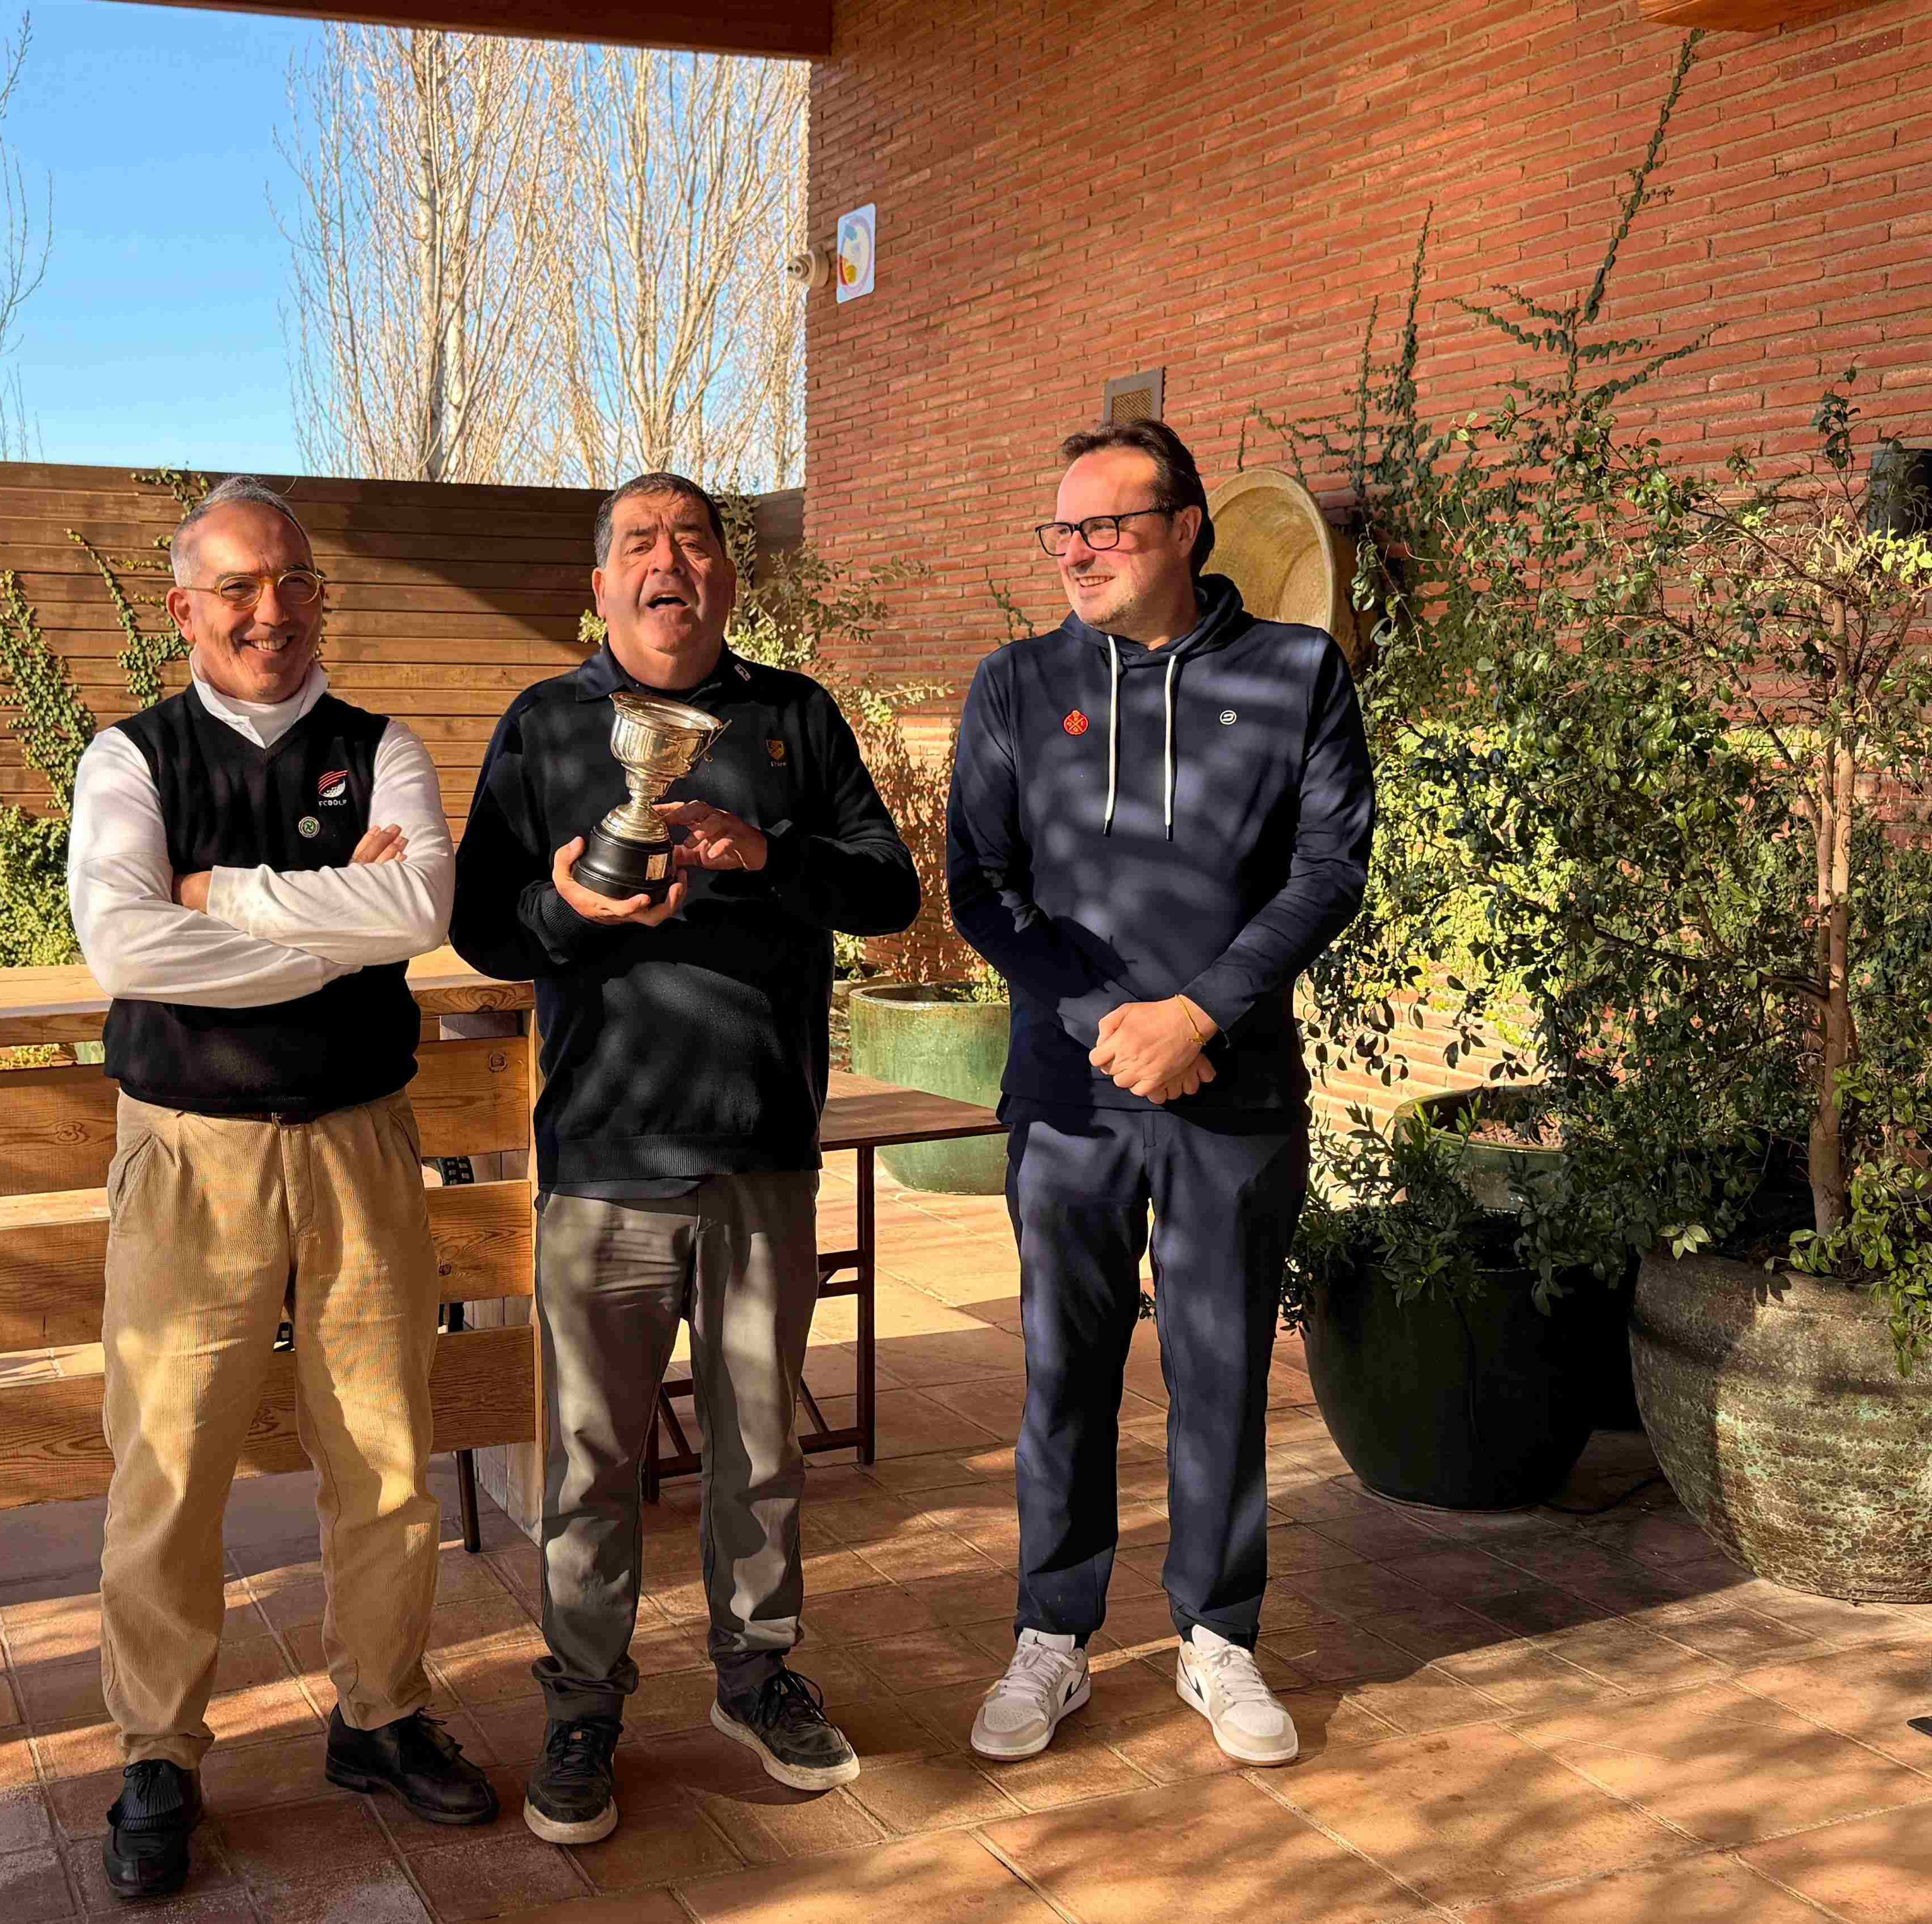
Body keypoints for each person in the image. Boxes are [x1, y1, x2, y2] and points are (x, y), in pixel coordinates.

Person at [450, 472, 921, 1844]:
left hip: (761, 1146)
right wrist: (569, 907)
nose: (672, 561)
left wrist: (767, 852)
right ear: (599, 586)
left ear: (725, 575)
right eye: (641, 543)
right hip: (603, 1155)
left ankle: (755, 1676)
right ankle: (582, 1705)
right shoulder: (544, 725)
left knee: (758, 1447)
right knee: (590, 1460)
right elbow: (481, 924)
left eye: (696, 540)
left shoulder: (796, 717)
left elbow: (888, 893)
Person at [68, 475, 498, 1901]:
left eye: (294, 582)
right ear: (184, 609)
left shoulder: (383, 749)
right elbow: (124, 949)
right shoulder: (129, 759)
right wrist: (334, 937)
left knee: (384, 1455)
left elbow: (419, 909)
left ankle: (380, 1715)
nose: (271, 611)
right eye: (238, 588)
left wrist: (220, 895)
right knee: (167, 1463)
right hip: (188, 1155)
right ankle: (157, 1752)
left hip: (362, 1144)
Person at [947, 420, 1373, 1768]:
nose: (1075, 554)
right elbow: (981, 888)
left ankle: (1218, 1636)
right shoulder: (1017, 684)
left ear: (1186, 528)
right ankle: (1051, 1635)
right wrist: (1109, 1028)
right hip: (1070, 1100)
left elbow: (1328, 871)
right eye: (1061, 531)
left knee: (1220, 1370)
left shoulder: (1297, 672)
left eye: (1106, 528)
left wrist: (1197, 1016)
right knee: (1062, 1375)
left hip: (1231, 1095)